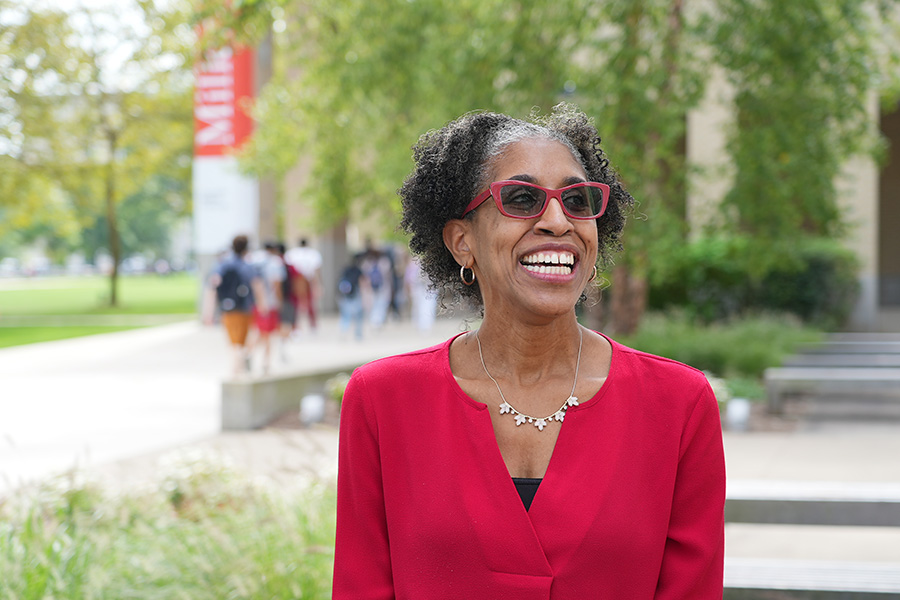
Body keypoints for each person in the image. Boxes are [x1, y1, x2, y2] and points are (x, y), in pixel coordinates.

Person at [332, 104, 726, 598]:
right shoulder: (383, 400)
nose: (559, 221)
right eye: (522, 198)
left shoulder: (679, 404)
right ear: (462, 242)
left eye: (578, 200)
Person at [201, 235, 267, 377]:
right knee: (243, 340)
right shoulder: (248, 266)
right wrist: (262, 305)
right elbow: (257, 286)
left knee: (234, 341)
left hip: (228, 308)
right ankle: (238, 367)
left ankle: (236, 368)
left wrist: (208, 312)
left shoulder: (223, 265)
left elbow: (212, 286)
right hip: (246, 308)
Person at [284, 238, 322, 333]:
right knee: (310, 304)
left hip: (296, 279)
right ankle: (312, 325)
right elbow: (317, 270)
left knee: (296, 304)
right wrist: (318, 284)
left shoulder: (292, 253)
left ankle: (295, 326)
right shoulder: (313, 254)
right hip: (307, 279)